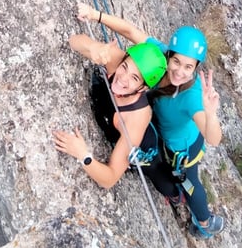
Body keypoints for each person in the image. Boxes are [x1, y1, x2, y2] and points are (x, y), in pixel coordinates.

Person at [75, 2, 225, 239]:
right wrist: (95, 15)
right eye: (177, 62)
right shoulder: (158, 62)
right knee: (158, 169)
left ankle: (205, 222)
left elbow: (213, 138)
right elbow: (131, 32)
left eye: (188, 67)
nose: (180, 71)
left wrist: (210, 112)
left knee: (190, 183)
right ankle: (174, 196)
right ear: (170, 56)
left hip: (182, 148)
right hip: (160, 134)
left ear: (196, 67)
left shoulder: (192, 97)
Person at [52, 34, 167, 189]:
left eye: (134, 78)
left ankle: (176, 195)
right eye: (125, 67)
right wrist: (93, 48)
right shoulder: (117, 60)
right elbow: (74, 41)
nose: (123, 78)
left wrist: (83, 155)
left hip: (147, 150)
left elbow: (110, 179)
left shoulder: (135, 120)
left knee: (160, 178)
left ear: (144, 88)